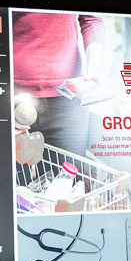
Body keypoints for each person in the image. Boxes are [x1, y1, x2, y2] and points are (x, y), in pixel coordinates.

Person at [12, 11, 107, 156]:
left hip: (68, 99)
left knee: (70, 169)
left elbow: (91, 18)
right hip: (13, 96)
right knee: (12, 170)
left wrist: (93, 65)